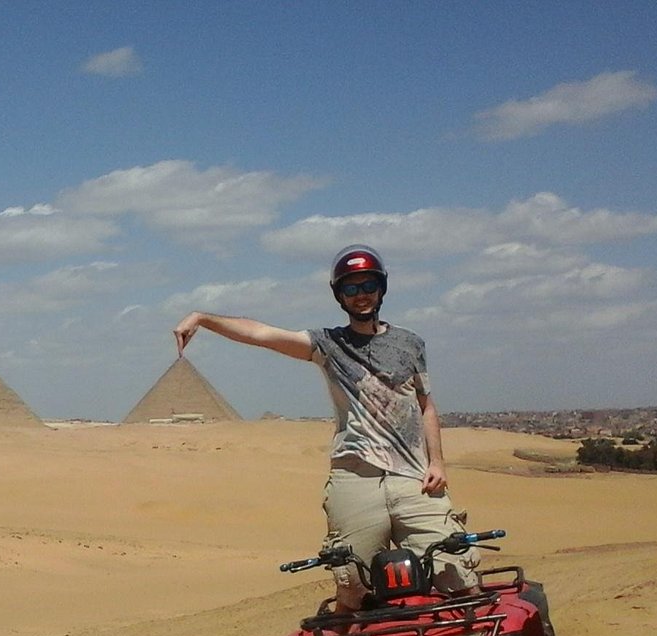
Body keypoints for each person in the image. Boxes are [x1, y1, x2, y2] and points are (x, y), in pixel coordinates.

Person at [172, 244, 479, 615]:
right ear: (339, 295)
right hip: (355, 479)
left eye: (368, 285)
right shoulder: (328, 344)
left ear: (381, 288)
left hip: (414, 478)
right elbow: (261, 334)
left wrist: (438, 463)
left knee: (456, 573)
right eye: (351, 288)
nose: (361, 294)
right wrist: (202, 318)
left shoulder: (410, 343)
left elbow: (426, 405)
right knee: (351, 585)